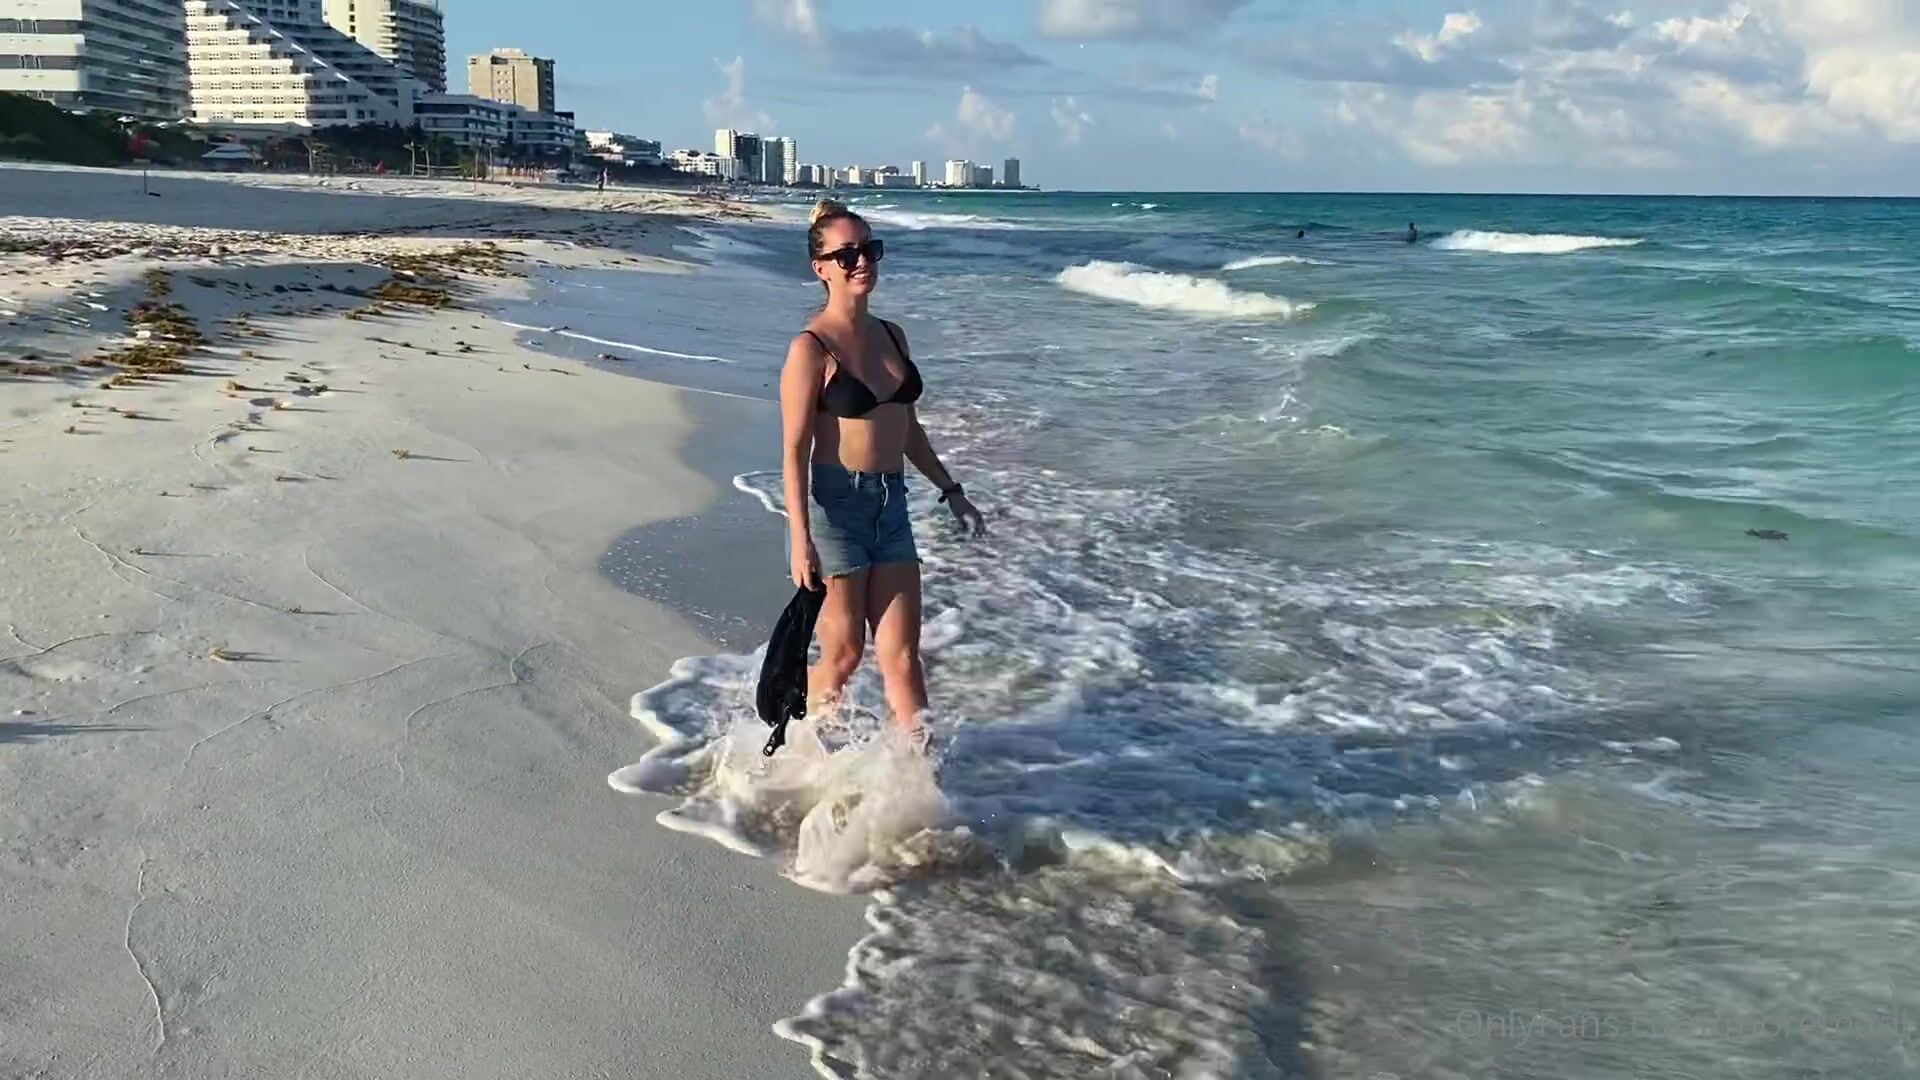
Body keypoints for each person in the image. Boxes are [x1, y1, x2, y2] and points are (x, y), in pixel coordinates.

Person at [780, 200, 987, 742]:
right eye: (846, 255)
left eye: (869, 250)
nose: (861, 262)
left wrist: (951, 490)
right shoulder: (810, 349)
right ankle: (802, 744)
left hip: (891, 507)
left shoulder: (893, 335)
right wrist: (801, 540)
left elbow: (908, 430)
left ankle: (921, 775)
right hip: (836, 510)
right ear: (820, 267)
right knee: (845, 651)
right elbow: (794, 451)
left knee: (901, 655)